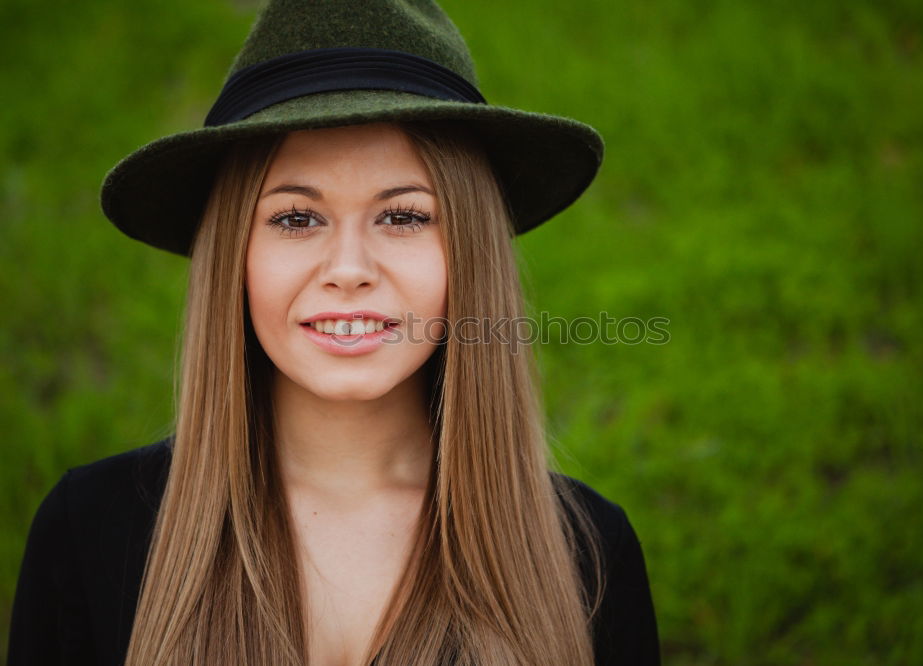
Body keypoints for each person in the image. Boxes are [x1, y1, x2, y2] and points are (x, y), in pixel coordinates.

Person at [7, 1, 660, 664]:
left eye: (404, 217)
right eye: (296, 219)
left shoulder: (588, 557)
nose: (349, 271)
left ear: (471, 252)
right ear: (234, 253)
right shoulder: (88, 532)